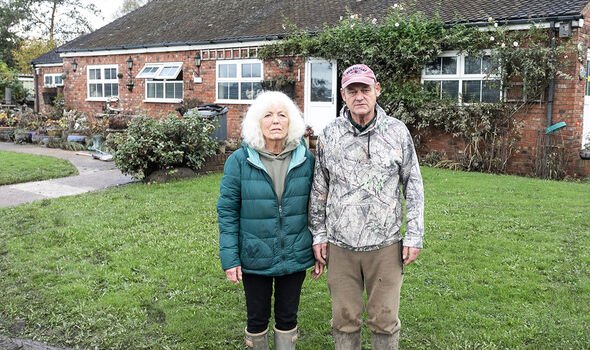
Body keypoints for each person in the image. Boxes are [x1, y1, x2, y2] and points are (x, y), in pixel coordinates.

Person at [309, 64, 425, 349]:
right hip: (340, 245)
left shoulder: (397, 132)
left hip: (385, 245)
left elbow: (413, 185)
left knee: (385, 320)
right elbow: (319, 188)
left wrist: (414, 235)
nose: (359, 96)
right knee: (344, 319)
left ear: (377, 91)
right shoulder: (329, 135)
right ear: (343, 95)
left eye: (365, 89)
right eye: (352, 90)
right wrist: (319, 234)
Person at [217, 91, 318, 350]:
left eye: (282, 115)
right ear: (257, 122)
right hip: (254, 255)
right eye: (268, 115)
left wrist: (319, 247)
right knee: (257, 318)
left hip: (295, 253)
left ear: (291, 122)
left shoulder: (307, 161)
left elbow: (318, 208)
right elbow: (227, 212)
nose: (275, 121)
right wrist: (230, 258)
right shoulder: (239, 162)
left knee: (288, 317)